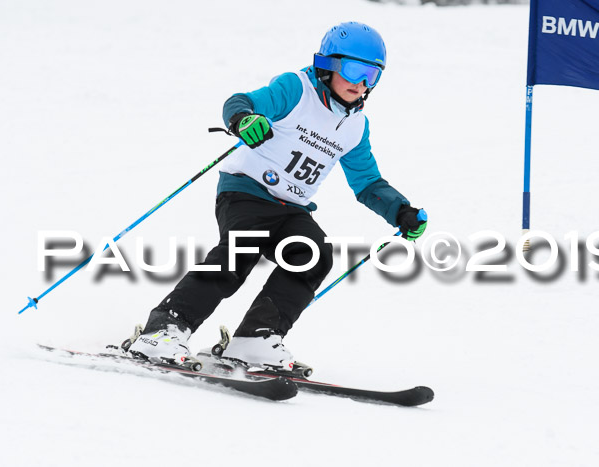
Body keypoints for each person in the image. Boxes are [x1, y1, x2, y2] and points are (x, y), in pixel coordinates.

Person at [127, 21, 427, 370]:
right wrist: (243, 120)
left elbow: (368, 183)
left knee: (314, 254)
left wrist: (400, 211)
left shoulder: (356, 126)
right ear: (328, 64)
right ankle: (164, 329)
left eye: (372, 76)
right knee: (241, 249)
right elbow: (240, 102)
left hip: (291, 206)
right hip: (246, 189)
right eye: (354, 70)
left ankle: (256, 337)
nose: (361, 83)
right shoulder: (296, 89)